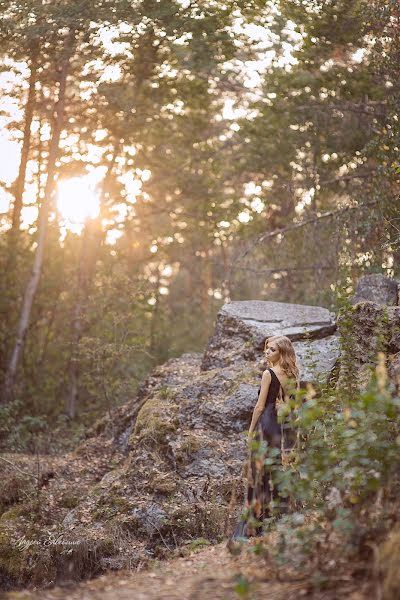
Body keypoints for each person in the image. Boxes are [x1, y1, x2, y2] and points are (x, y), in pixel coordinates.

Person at [231, 335, 300, 539]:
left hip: (265, 424)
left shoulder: (268, 374)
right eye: (267, 349)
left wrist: (251, 430)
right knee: (275, 470)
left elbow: (260, 406)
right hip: (280, 425)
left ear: (282, 353)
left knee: (258, 472)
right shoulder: (292, 374)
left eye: (272, 350)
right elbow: (290, 405)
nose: (267, 352)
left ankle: (254, 526)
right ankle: (277, 520)